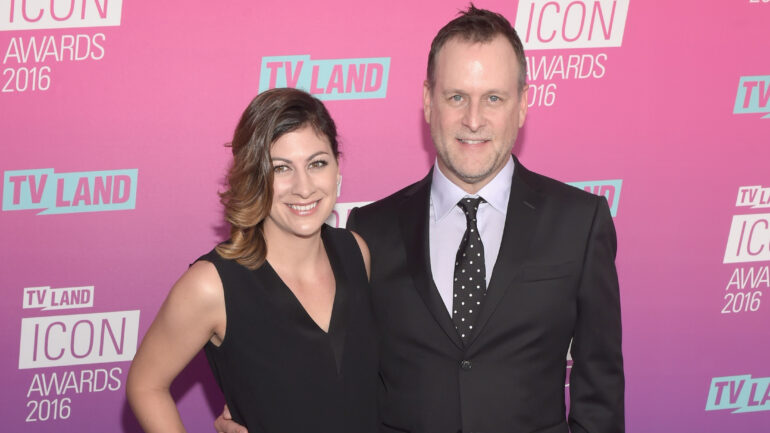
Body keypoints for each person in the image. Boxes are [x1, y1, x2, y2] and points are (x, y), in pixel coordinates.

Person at [216, 4, 624, 433]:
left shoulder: (580, 222)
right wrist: (256, 404)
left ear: (522, 104)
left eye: (494, 98)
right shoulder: (367, 231)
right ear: (428, 101)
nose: (473, 119)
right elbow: (332, 365)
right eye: (456, 97)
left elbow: (601, 392)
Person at [126, 88, 378, 433]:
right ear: (254, 177)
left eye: (317, 163)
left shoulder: (356, 252)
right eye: (281, 168)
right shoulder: (212, 285)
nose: (304, 188)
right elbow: (145, 385)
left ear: (336, 168)